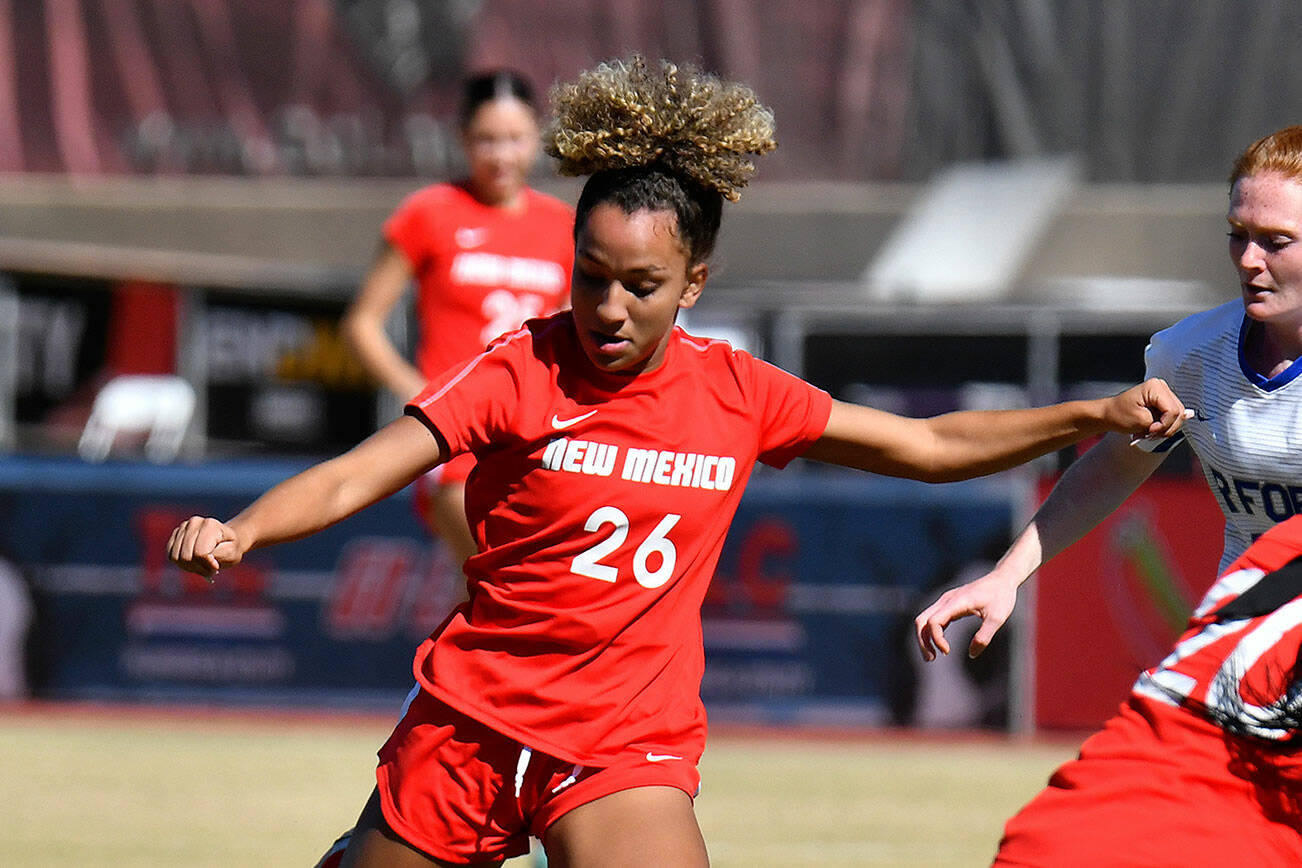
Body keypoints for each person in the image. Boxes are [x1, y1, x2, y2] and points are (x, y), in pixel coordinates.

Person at [169, 57, 1186, 868]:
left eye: (642, 285)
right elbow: (361, 470)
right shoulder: (520, 364)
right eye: (591, 277)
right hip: (471, 718)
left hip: (624, 746)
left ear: (694, 282)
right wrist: (243, 529)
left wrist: (1088, 412)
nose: (609, 308)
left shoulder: (738, 391)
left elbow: (923, 444)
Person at [914, 125, 1302, 865]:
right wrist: (1008, 574)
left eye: (1275, 241)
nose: (1249, 260)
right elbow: (1116, 464)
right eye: (1237, 235)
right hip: (1236, 665)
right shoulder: (1192, 353)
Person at [342, 69, 574, 566]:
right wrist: (421, 395)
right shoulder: (431, 213)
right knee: (497, 575)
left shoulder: (564, 226)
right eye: (486, 140)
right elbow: (362, 323)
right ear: (463, 140)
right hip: (457, 438)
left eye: (514, 139)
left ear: (537, 137)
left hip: (535, 433)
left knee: (490, 593)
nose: (501, 155)